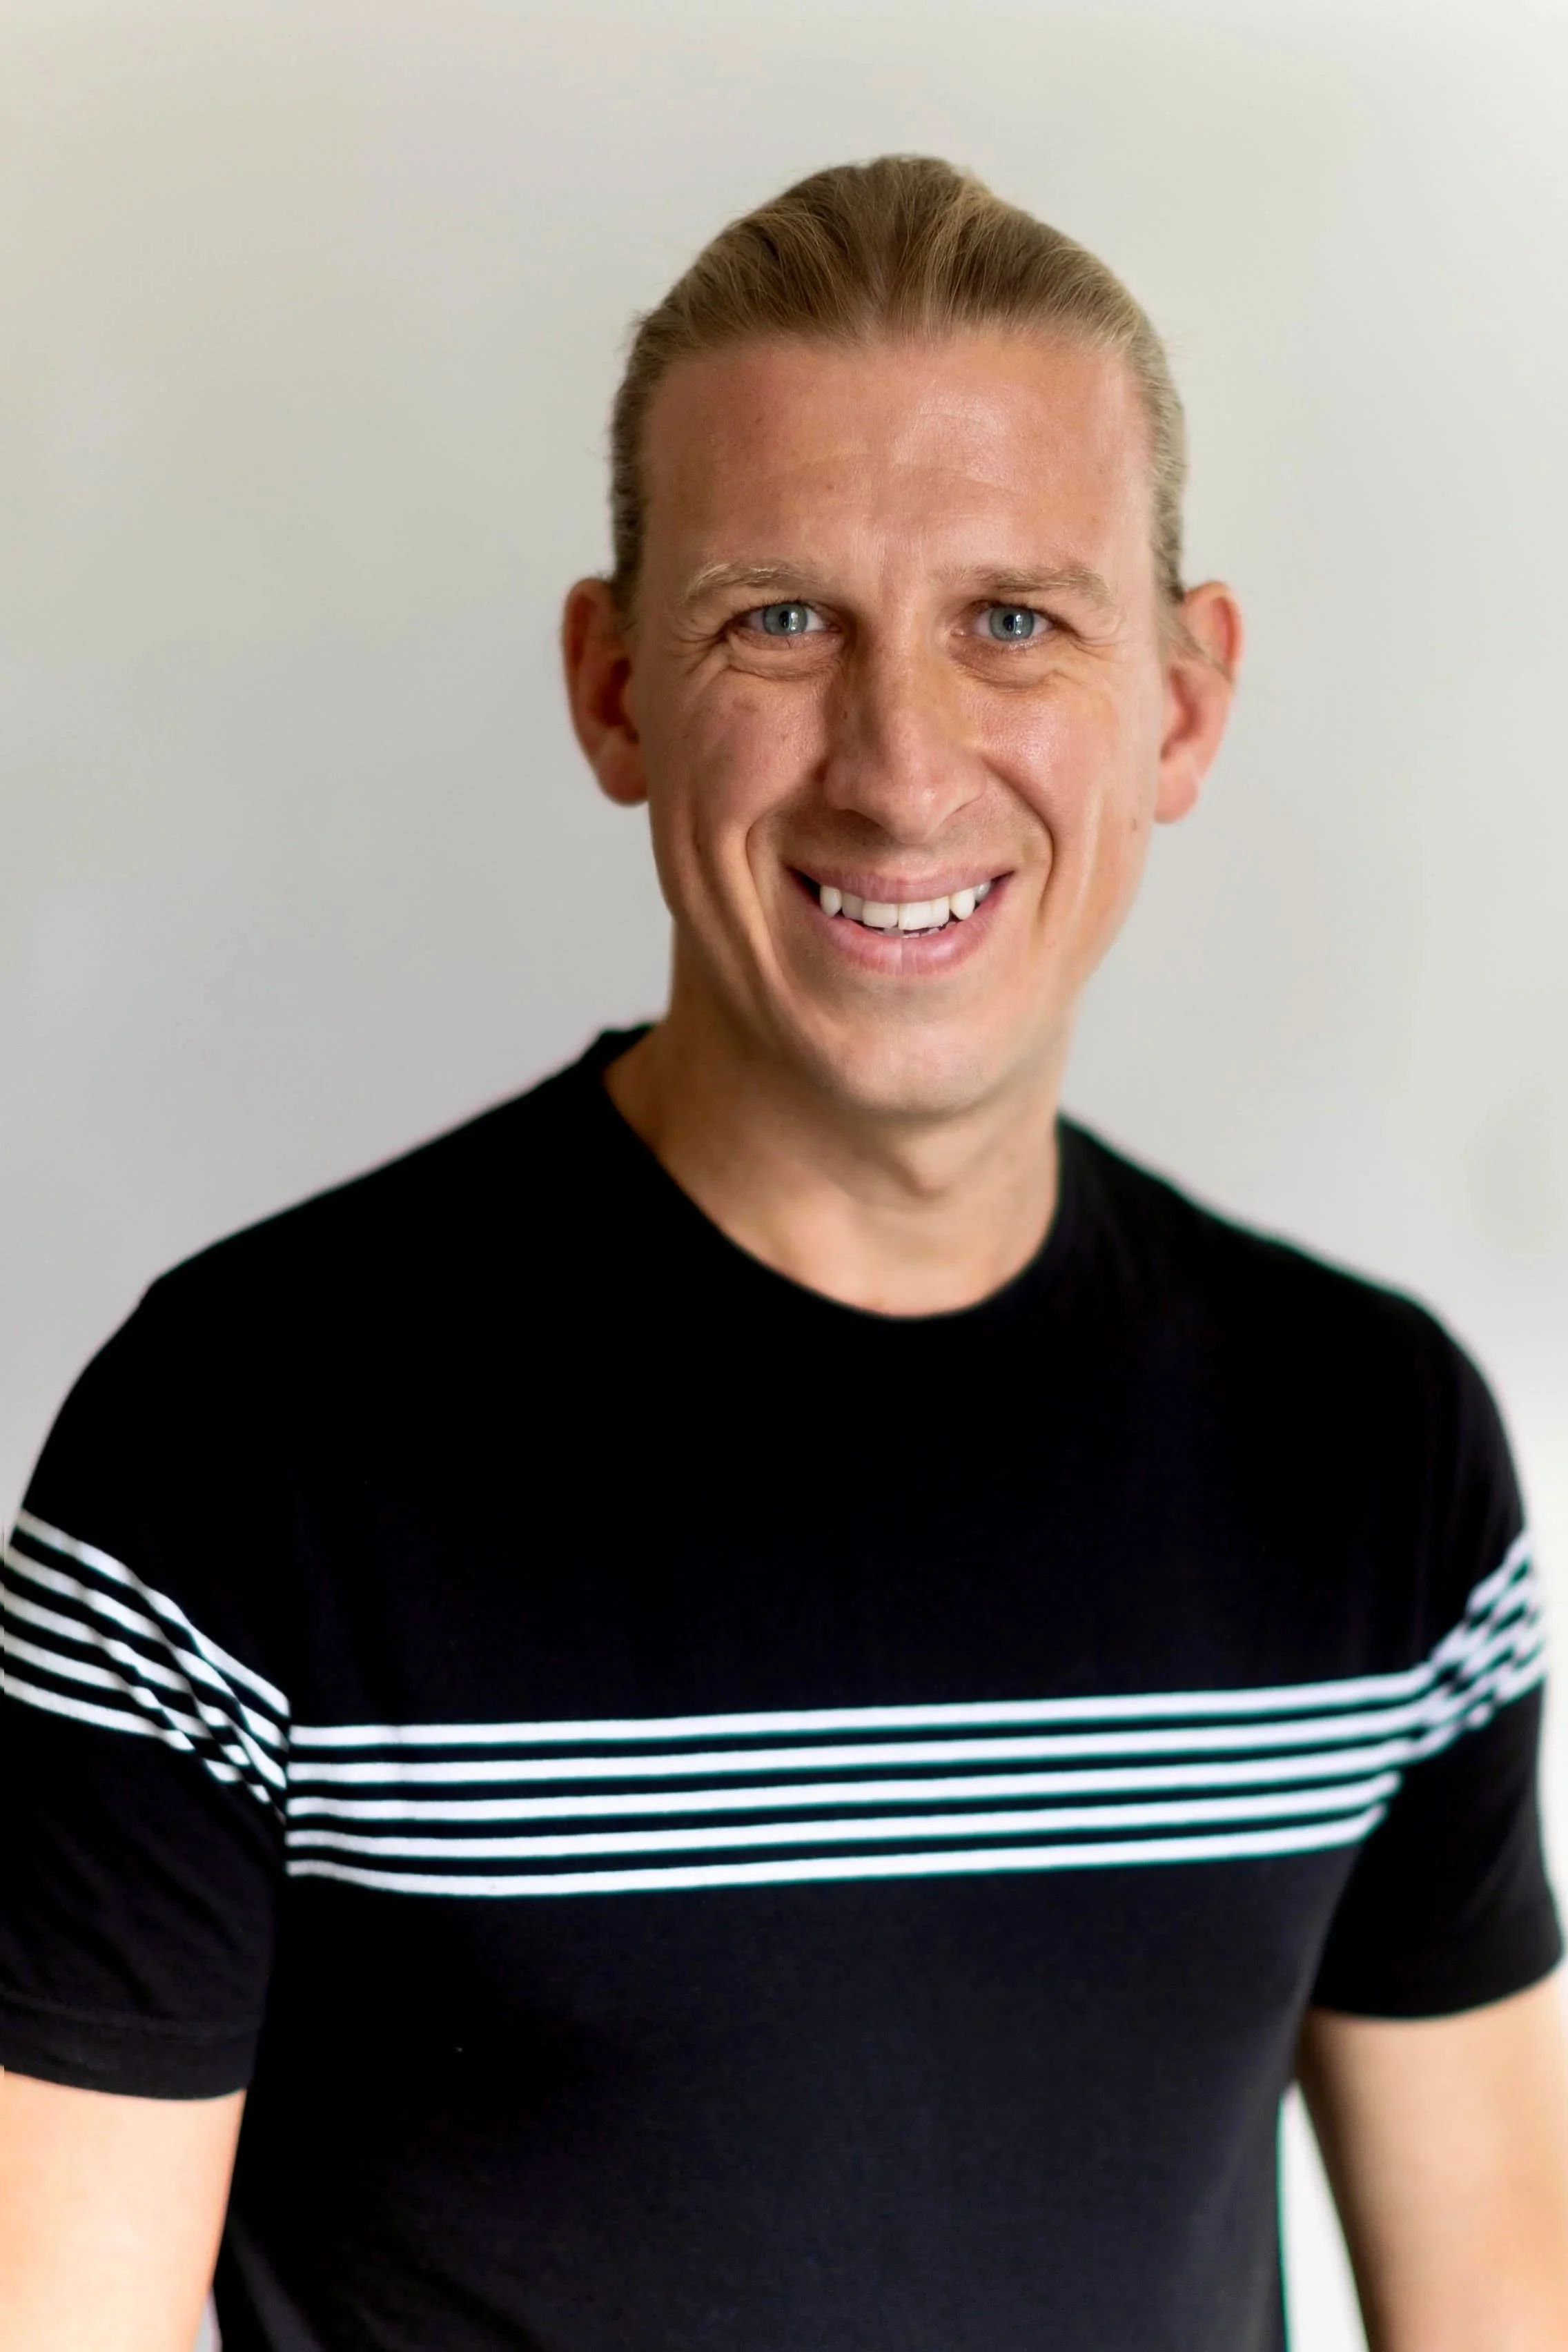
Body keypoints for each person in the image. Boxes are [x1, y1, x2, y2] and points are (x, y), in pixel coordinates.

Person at [2, 155, 1565, 2352]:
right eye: (782, 622)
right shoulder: (233, 1457)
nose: (901, 768)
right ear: (617, 690)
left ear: (1186, 703)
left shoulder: (1373, 1452)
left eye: (1013, 619)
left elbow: (1501, 2299)